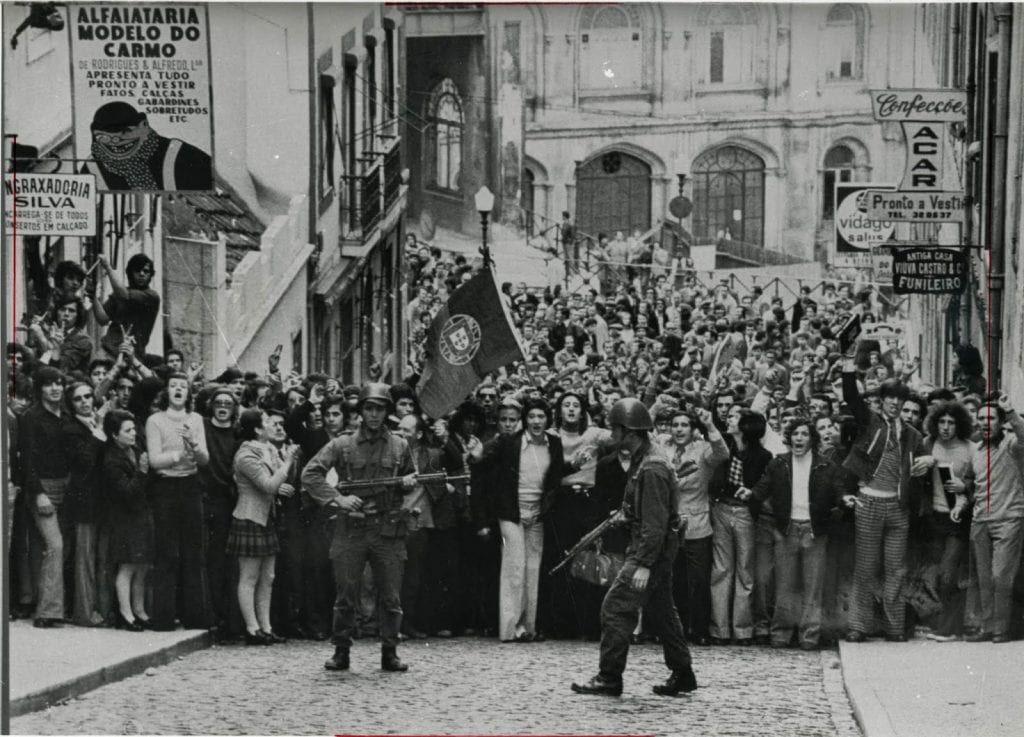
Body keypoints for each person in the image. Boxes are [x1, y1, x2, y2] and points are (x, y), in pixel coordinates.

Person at [571, 398, 696, 697]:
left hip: (648, 552)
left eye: (615, 429)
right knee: (663, 612)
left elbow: (655, 525)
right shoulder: (646, 457)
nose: (611, 434)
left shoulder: (651, 467)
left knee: (615, 609)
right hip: (656, 551)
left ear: (629, 432)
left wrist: (643, 564)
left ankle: (609, 677)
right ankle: (683, 673)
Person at [302, 382, 417, 672]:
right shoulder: (342, 444)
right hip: (351, 529)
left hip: (387, 530)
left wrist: (407, 484)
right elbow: (311, 474)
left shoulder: (400, 445)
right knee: (346, 595)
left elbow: (407, 479)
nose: (374, 414)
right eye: (369, 408)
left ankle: (389, 651)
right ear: (361, 411)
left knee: (391, 596)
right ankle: (342, 650)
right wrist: (338, 499)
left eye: (380, 408)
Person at [741, 420, 854, 649]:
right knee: (784, 586)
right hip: (787, 529)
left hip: (814, 531)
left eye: (804, 434)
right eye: (795, 434)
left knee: (813, 587)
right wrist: (750, 493)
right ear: (789, 438)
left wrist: (845, 499)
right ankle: (781, 634)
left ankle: (809, 636)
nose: (799, 438)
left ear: (811, 438)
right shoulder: (779, 463)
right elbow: (764, 487)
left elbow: (838, 489)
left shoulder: (826, 465)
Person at [842, 357, 928, 643]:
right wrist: (847, 364)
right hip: (869, 502)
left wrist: (929, 459)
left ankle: (894, 627)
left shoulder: (914, 436)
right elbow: (851, 397)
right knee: (865, 567)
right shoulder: (871, 422)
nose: (894, 404)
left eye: (899, 400)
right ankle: (859, 625)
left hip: (897, 508)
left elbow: (926, 460)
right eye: (889, 398)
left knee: (896, 569)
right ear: (882, 401)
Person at [470, 397, 567, 643]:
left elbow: (555, 478)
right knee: (514, 568)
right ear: (526, 420)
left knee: (533, 570)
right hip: (511, 513)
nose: (536, 421)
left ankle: (529, 627)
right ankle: (510, 629)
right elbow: (483, 464)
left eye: (541, 417)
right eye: (532, 417)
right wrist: (476, 456)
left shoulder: (554, 443)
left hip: (537, 515)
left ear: (547, 420)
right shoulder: (508, 442)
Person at [145, 373, 212, 631]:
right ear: (166, 392)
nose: (178, 390)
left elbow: (204, 459)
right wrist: (178, 455)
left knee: (193, 552)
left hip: (190, 485)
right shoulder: (155, 420)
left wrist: (193, 446)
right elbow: (154, 460)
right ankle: (163, 617)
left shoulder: (196, 420)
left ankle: (194, 616)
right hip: (165, 487)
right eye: (173, 386)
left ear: (188, 393)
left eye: (183, 387)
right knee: (166, 552)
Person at [229, 409, 301, 645]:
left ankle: (266, 627)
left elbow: (280, 481)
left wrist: (286, 464)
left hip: (266, 517)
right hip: (249, 517)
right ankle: (252, 629)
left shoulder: (268, 449)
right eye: (268, 422)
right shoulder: (246, 455)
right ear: (257, 429)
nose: (273, 425)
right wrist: (288, 460)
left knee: (267, 576)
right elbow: (269, 485)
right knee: (249, 576)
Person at [962, 394, 1024, 643]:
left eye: (991, 418)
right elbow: (969, 482)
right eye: (981, 419)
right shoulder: (975, 450)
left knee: (1001, 577)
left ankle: (1001, 629)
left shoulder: (1012, 445)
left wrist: (1010, 412)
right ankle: (987, 627)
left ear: (1000, 422)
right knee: (984, 578)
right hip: (980, 521)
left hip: (1008, 519)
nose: (985, 423)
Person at [667, 407, 729, 646]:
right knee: (673, 579)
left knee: (698, 580)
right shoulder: (664, 449)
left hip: (696, 524)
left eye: (684, 425)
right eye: (675, 425)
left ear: (693, 430)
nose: (679, 429)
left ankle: (699, 629)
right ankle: (675, 630)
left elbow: (722, 454)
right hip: (669, 524)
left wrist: (710, 425)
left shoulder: (702, 450)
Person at [20, 367, 72, 628]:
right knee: (56, 546)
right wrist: (39, 494)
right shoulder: (31, 417)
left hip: (67, 486)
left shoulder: (66, 415)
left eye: (59, 383)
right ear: (39, 388)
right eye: (49, 384)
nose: (55, 388)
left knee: (53, 550)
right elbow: (27, 461)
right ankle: (48, 612)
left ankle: (46, 604)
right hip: (42, 489)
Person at [100, 409, 154, 631]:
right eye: (128, 430)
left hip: (141, 515)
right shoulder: (111, 459)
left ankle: (139, 610)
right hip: (124, 518)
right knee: (127, 566)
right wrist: (142, 472)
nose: (134, 434)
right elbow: (126, 492)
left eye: (134, 429)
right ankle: (126, 613)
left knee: (141, 566)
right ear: (114, 435)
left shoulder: (135, 450)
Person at [63, 380, 111, 627]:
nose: (84, 402)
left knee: (102, 559)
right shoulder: (71, 429)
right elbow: (84, 460)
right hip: (84, 503)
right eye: (78, 399)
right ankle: (84, 611)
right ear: (71, 405)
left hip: (104, 501)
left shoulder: (97, 423)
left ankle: (102, 608)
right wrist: (99, 431)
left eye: (87, 397)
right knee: (85, 559)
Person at [81, 101, 212, 191]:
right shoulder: (92, 168)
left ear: (143, 125)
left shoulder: (182, 156)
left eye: (126, 132)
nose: (115, 141)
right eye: (103, 137)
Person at [97, 254, 160, 360]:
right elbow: (102, 319)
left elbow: (124, 295)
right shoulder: (119, 292)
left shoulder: (152, 296)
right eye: (137, 270)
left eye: (146, 271)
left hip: (132, 356)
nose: (141, 274)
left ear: (150, 275)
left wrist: (107, 267)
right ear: (130, 272)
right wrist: (93, 298)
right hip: (108, 351)